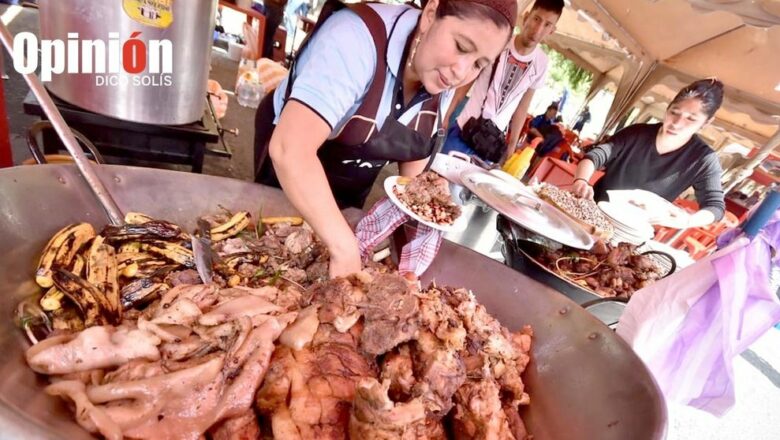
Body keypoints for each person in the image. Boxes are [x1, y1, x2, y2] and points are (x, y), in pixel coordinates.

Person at [253, 0, 517, 278]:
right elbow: (291, 150)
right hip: (292, 163)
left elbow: (414, 167)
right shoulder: (355, 38)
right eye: (461, 47)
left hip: (354, 173)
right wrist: (344, 248)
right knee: (279, 252)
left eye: (479, 64)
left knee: (333, 242)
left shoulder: (440, 73)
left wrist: (422, 212)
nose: (461, 72)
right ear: (430, 15)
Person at [571, 78, 727, 227]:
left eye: (691, 119)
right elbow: (596, 155)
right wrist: (582, 181)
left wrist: (687, 220)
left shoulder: (704, 159)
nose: (677, 124)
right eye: (674, 112)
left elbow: (715, 207)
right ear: (668, 108)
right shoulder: (637, 133)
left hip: (634, 229)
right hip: (591, 208)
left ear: (706, 123)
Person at [441, 0, 563, 163]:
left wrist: (512, 143)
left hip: (491, 145)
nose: (538, 29)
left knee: (470, 188)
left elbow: (523, 105)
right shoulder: (499, 42)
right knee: (436, 182)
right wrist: (447, 114)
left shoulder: (541, 63)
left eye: (547, 24)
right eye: (536, 19)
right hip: (464, 129)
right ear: (526, 17)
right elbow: (467, 80)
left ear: (552, 30)